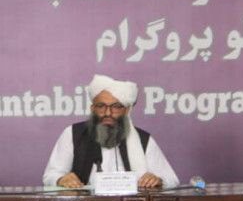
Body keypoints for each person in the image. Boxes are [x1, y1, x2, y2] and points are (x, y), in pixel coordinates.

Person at [43, 75, 179, 189]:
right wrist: (61, 179)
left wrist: (157, 180)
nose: (108, 113)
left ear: (127, 110)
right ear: (92, 108)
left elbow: (171, 179)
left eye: (116, 107)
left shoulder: (144, 139)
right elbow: (51, 175)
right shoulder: (73, 133)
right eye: (101, 106)